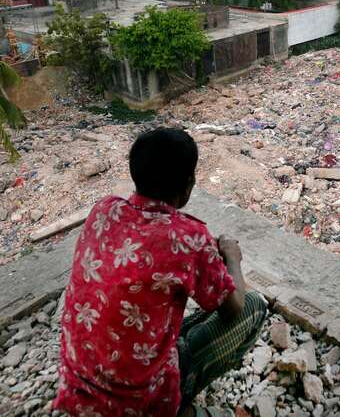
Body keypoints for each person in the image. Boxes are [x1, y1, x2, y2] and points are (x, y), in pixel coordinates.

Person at [54, 128, 267, 416]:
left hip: (79, 389)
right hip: (140, 404)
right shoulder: (189, 237)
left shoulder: (103, 210)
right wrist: (232, 257)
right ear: (189, 183)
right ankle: (179, 404)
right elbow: (233, 308)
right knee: (253, 307)